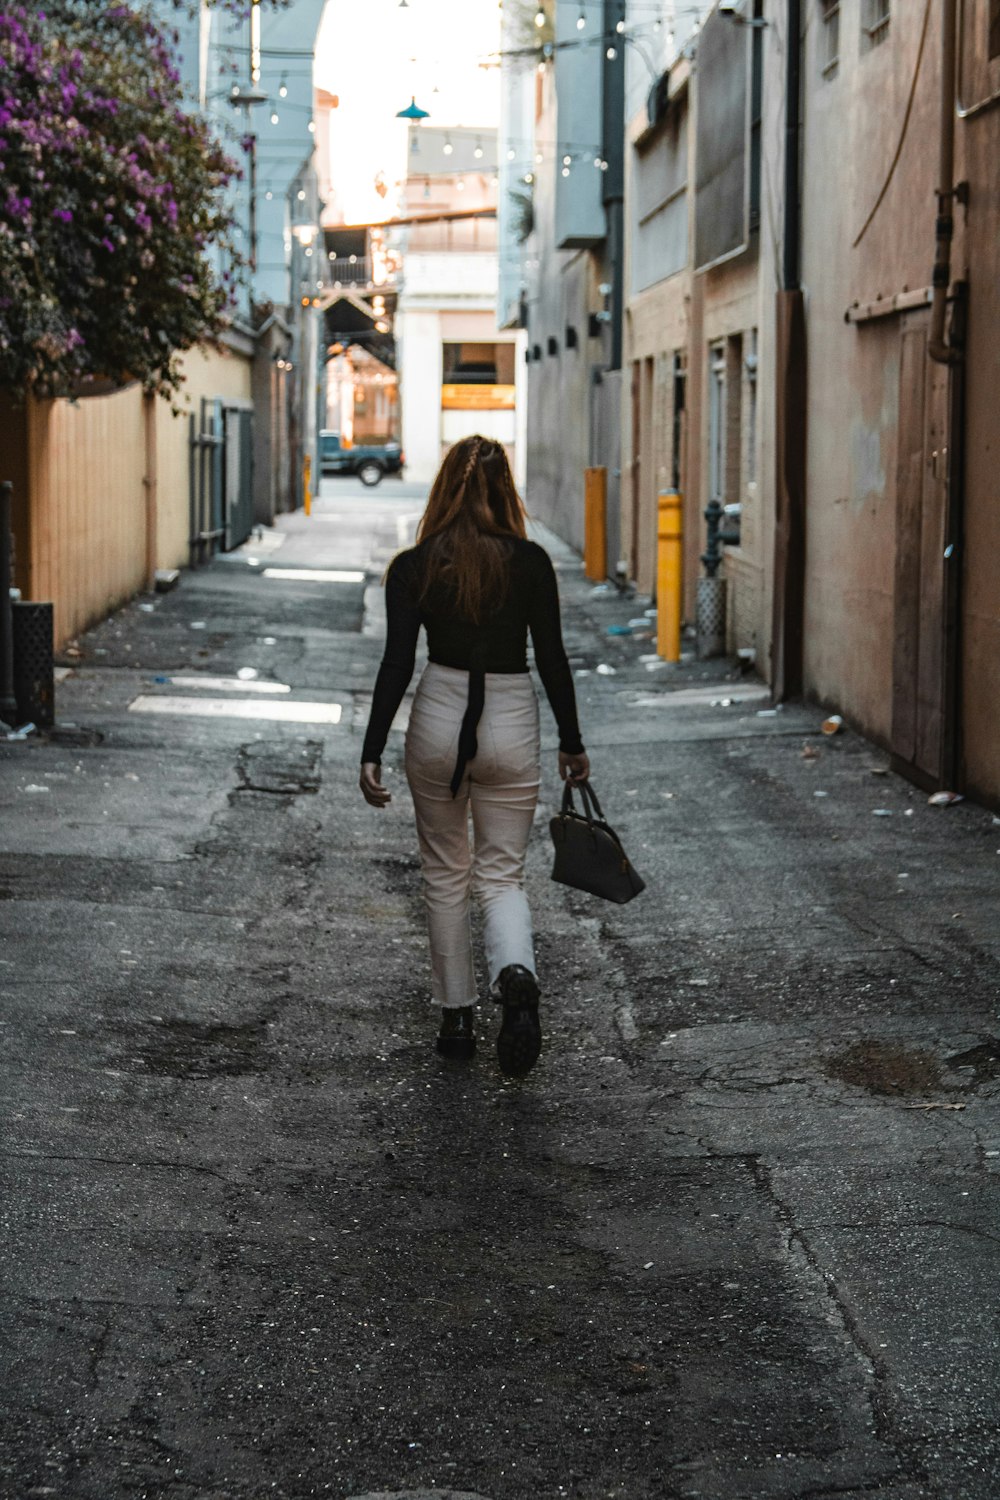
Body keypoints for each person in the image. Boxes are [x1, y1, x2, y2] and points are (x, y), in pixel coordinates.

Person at [359, 434, 590, 1077]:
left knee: (444, 873)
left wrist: (371, 749)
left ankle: (457, 1021)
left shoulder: (415, 566)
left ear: (441, 490)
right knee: (501, 874)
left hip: (438, 714)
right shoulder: (532, 563)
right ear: (503, 489)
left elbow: (397, 661)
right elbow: (551, 658)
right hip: (512, 718)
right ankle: (515, 973)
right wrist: (572, 741)